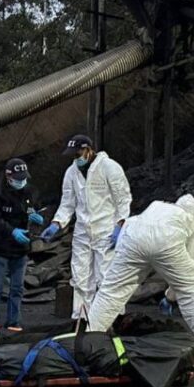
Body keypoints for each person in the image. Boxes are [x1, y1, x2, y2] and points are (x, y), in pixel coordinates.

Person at [87, 194, 194, 371]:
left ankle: (88, 342)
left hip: (131, 236)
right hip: (165, 239)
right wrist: (170, 298)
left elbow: (132, 223)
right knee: (193, 289)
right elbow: (184, 276)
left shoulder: (162, 208)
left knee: (111, 292)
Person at [42, 134, 132, 318]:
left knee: (106, 277)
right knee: (80, 278)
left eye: (78, 153)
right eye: (73, 155)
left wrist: (120, 226)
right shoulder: (71, 173)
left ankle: (113, 319)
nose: (76, 158)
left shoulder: (109, 168)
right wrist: (56, 223)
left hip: (107, 232)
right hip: (83, 233)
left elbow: (123, 199)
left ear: (89, 150)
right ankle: (82, 319)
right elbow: (67, 203)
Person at [0, 158, 43, 331]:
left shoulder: (29, 191)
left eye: (23, 178)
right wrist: (12, 231)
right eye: (17, 179)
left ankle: (13, 322)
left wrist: (35, 216)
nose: (21, 182)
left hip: (20, 248)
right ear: (8, 177)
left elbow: (33, 208)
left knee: (17, 288)